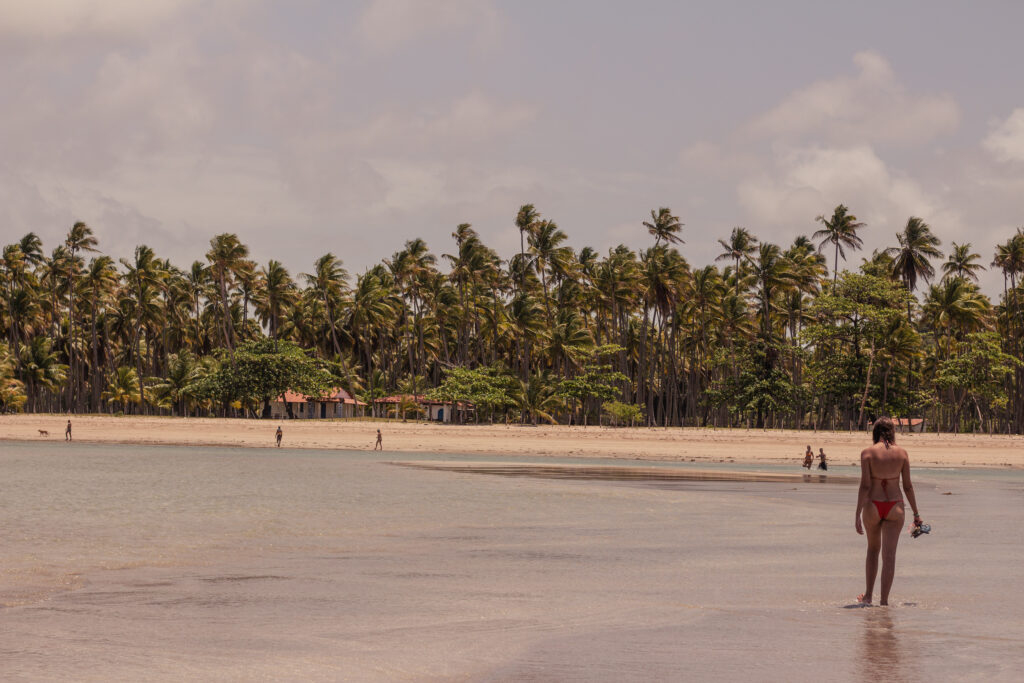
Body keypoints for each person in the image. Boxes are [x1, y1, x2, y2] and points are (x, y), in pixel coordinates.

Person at [855, 417, 922, 606]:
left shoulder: (867, 453)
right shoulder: (902, 453)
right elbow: (908, 486)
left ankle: (868, 597)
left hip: (873, 505)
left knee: (873, 550)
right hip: (895, 506)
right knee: (889, 556)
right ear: (893, 432)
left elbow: (865, 486)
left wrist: (857, 513)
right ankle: (884, 602)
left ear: (875, 432)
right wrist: (916, 514)